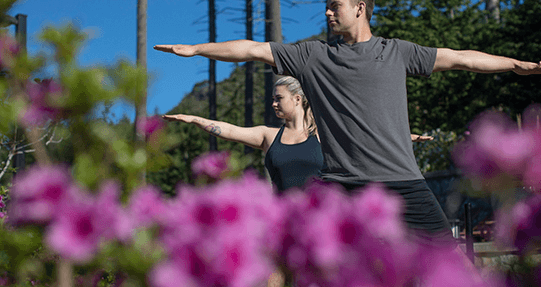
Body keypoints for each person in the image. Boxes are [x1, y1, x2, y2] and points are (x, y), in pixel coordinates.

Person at [154, 0, 541, 244]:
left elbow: (461, 58)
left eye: (335, 6)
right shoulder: (312, 56)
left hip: (402, 182)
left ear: (360, 8)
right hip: (341, 185)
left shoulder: (397, 52)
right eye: (327, 8)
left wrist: (514, 64)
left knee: (444, 260)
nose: (327, 13)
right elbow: (253, 49)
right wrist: (196, 49)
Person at [163, 75, 432, 193]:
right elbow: (231, 131)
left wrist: (406, 137)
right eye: (273, 99)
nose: (274, 104)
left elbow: (368, 137)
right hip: (281, 220)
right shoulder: (269, 136)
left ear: (298, 99)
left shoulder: (325, 135)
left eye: (279, 99)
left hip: (319, 221)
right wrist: (194, 119)